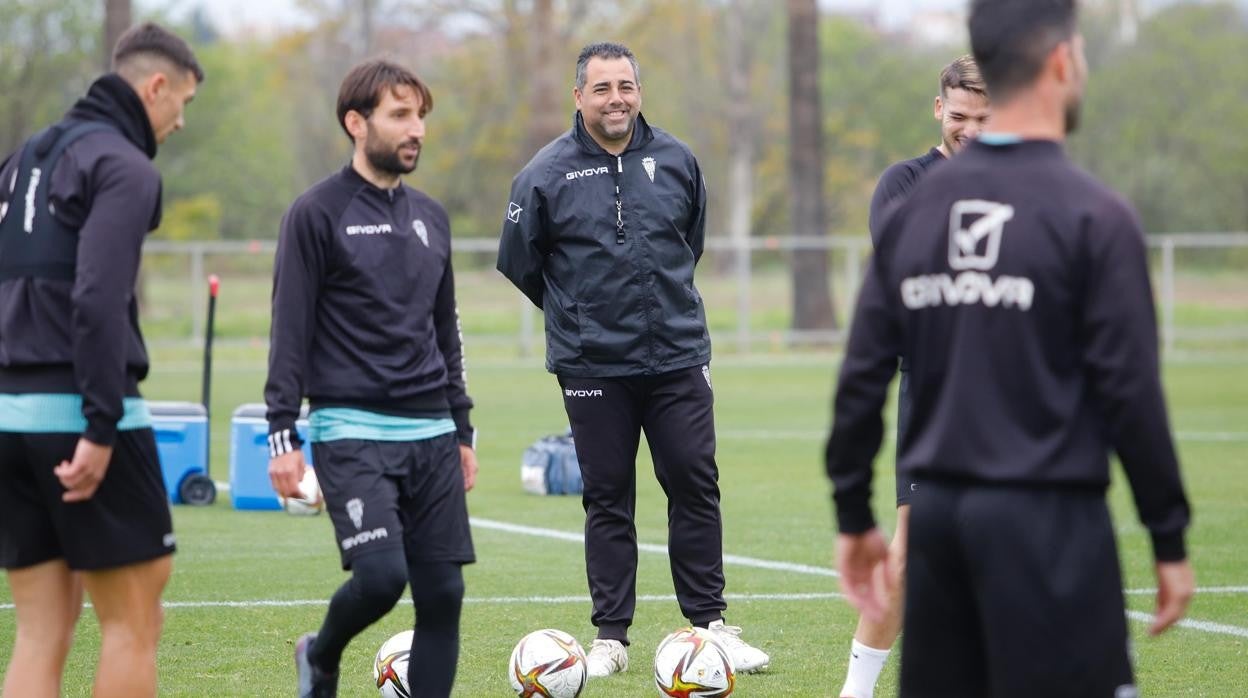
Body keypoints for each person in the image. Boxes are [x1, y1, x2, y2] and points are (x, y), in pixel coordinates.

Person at [826, 0, 1195, 695]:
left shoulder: (921, 213)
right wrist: (1167, 535)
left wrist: (851, 511)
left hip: (939, 522)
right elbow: (1132, 394)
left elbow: (862, 371)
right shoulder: (1094, 214)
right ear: (1062, 62)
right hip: (1052, 523)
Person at [496, 41, 769, 678]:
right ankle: (611, 639)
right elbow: (519, 262)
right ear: (579, 97)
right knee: (608, 497)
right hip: (593, 366)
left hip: (677, 357)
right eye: (602, 88)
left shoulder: (676, 159)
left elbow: (688, 244)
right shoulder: (545, 173)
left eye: (626, 86)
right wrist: (579, 314)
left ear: (638, 91)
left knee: (695, 484)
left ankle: (709, 628)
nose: (616, 99)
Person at [0, 22, 202, 698]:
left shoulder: (22, 158)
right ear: (156, 86)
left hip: (8, 420)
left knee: (39, 634)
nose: (179, 122)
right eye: (184, 102)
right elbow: (97, 298)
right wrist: (99, 424)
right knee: (133, 624)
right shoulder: (124, 164)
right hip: (81, 418)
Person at [265, 59, 478, 698]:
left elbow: (448, 334)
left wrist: (462, 427)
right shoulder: (315, 214)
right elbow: (289, 331)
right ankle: (321, 655)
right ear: (356, 123)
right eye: (400, 115)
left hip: (433, 430)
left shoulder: (432, 218)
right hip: (350, 430)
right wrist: (281, 434)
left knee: (443, 593)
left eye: (420, 116)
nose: (416, 130)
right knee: (383, 578)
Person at [839, 55, 990, 698]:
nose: (971, 131)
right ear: (939, 110)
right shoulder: (903, 181)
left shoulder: (1034, 183)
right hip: (933, 396)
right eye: (960, 118)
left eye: (986, 120)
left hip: (1018, 401)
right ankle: (857, 691)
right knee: (907, 561)